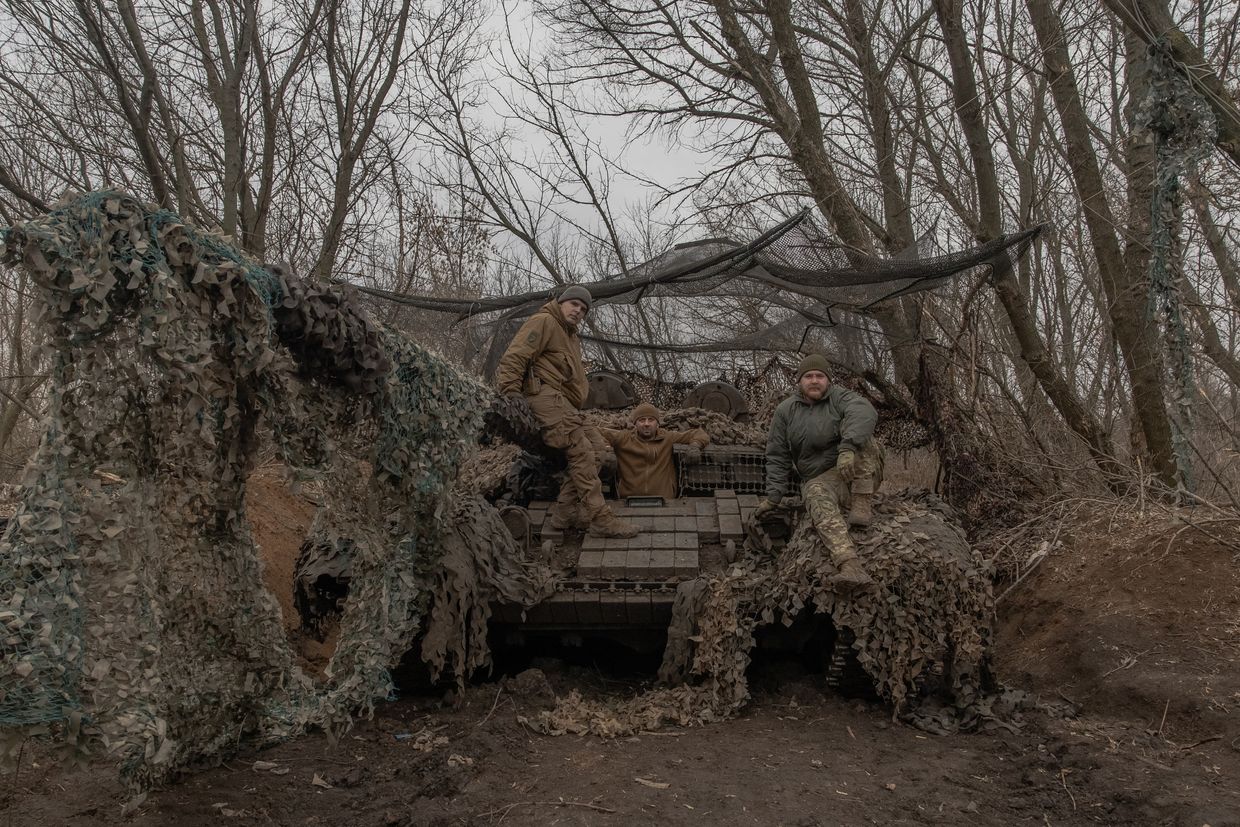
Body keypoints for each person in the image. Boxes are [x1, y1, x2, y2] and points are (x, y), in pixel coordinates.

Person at [496, 285, 637, 538]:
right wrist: (511, 393)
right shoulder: (544, 321)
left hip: (566, 404)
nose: (578, 311)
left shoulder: (569, 335)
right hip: (544, 396)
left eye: (583, 309)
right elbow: (515, 356)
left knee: (598, 452)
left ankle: (565, 513)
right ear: (561, 302)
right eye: (574, 304)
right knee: (581, 451)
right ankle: (601, 518)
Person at [753, 354, 885, 590]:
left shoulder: (839, 398)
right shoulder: (786, 411)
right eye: (809, 376)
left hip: (854, 471)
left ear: (828, 380)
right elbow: (777, 454)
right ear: (800, 381)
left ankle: (861, 502)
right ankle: (850, 565)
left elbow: (864, 410)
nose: (814, 381)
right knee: (813, 491)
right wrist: (774, 497)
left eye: (820, 376)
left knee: (866, 439)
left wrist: (847, 448)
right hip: (822, 479)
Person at [600, 402, 710, 500]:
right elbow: (598, 433)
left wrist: (695, 446)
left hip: (664, 501)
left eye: (651, 420)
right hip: (628, 500)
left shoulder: (667, 437)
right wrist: (607, 450)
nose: (646, 424)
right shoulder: (624, 438)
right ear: (635, 423)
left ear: (657, 423)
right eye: (642, 420)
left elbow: (699, 433)